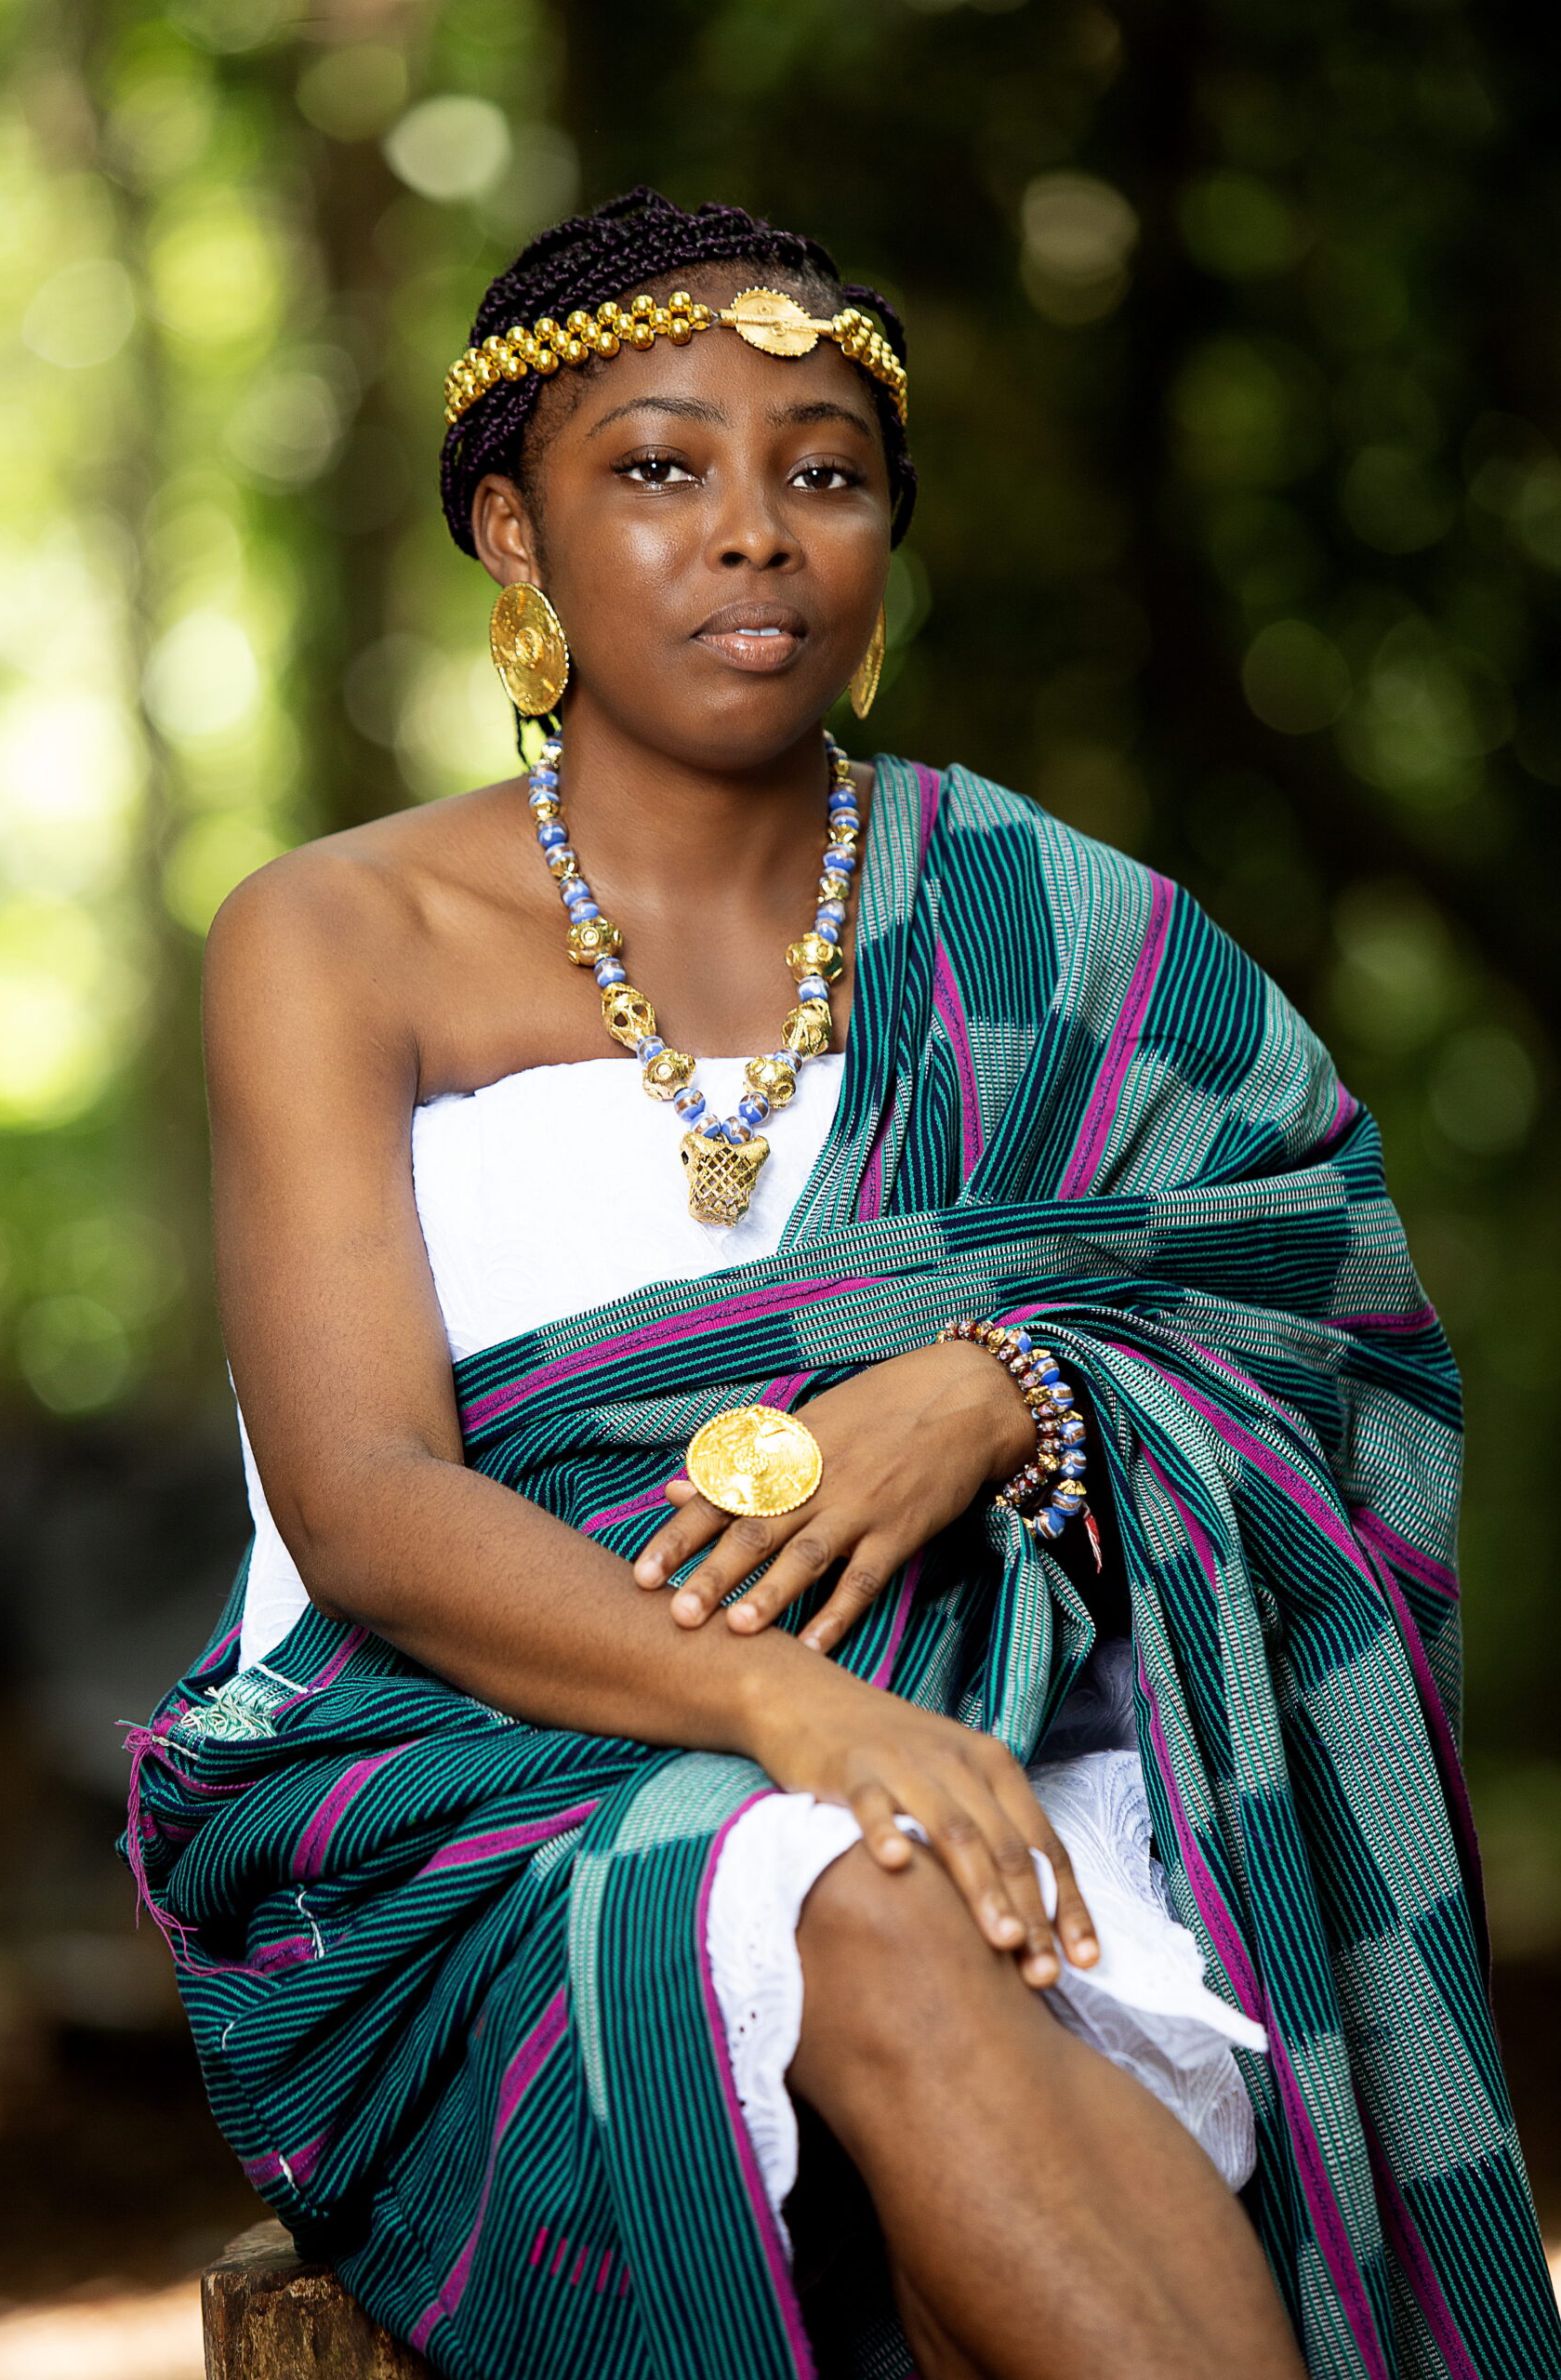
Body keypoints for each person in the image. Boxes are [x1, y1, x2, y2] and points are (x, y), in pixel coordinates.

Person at [124, 188, 1560, 2380]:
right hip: (461, 1784)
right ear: (512, 532)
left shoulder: (1054, 924)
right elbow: (363, 1496)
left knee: (964, 1893)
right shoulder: (335, 936)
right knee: (870, 1883)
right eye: (658, 466)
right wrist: (801, 1710)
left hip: (1019, 1724)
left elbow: (1308, 1304)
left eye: (823, 473)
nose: (753, 531)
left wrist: (1004, 1388)